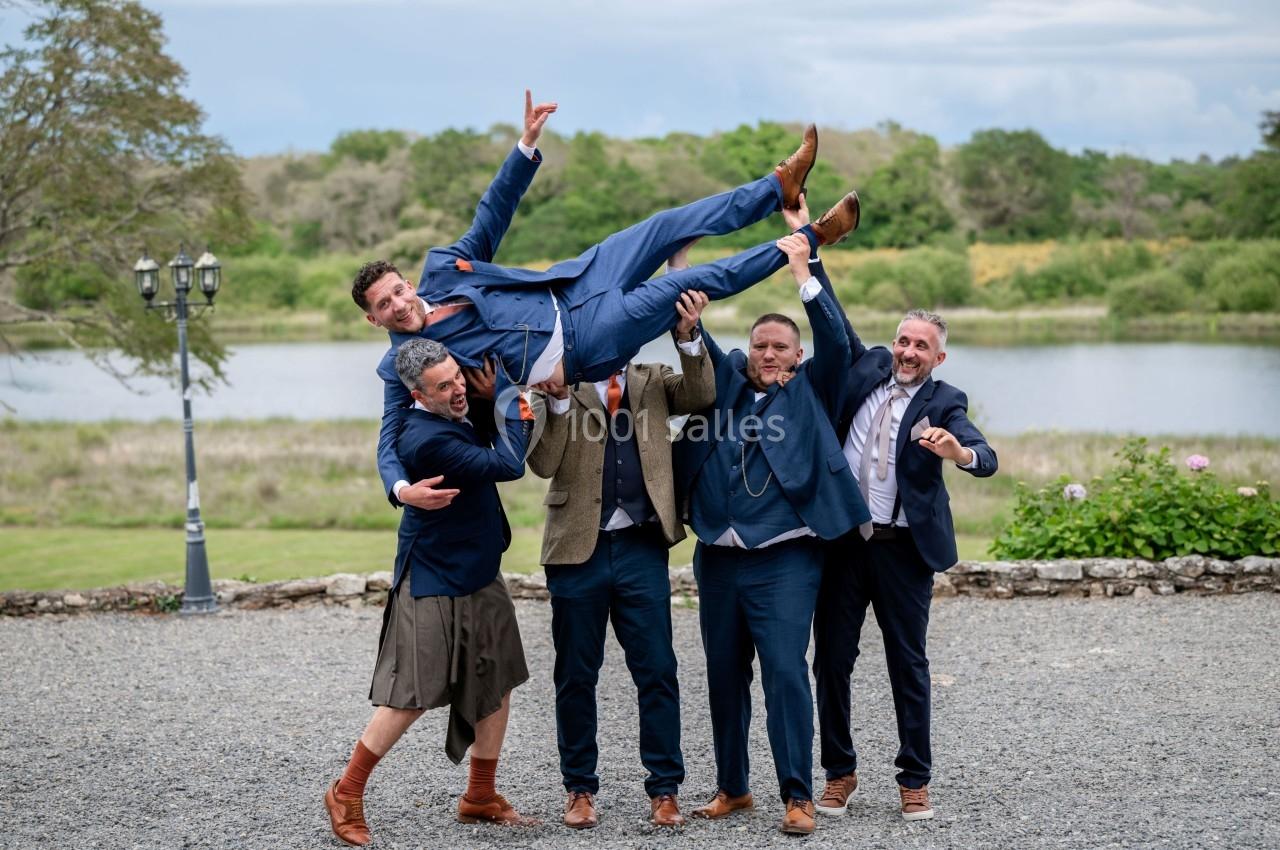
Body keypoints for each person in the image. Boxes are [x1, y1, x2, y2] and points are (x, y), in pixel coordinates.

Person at [354, 90, 862, 510]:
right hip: (580, 342)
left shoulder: (444, 268)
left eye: (398, 290)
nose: (398, 304)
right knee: (679, 285)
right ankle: (814, 238)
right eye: (384, 306)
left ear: (408, 283)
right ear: (375, 320)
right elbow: (390, 433)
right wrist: (400, 489)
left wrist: (525, 145)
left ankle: (777, 187)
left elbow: (491, 217)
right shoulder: (401, 364)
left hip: (573, 284)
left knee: (664, 226)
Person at [673, 214, 871, 836]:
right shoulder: (728, 383)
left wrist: (804, 271)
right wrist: (680, 277)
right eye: (760, 345)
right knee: (724, 675)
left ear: (797, 355)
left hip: (785, 560)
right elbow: (695, 344)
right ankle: (733, 787)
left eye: (780, 346)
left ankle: (798, 795)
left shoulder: (815, 386)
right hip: (719, 559)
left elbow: (840, 344)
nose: (767, 354)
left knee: (786, 674)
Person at [525, 246, 715, 828]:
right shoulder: (551, 383)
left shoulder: (652, 377)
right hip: (575, 550)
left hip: (640, 545)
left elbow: (702, 394)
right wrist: (556, 402)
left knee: (656, 669)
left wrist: (688, 335)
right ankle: (579, 789)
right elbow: (543, 462)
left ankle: (664, 788)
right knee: (575, 675)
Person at [808, 243, 998, 822]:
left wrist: (957, 450)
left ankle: (914, 778)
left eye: (921, 345)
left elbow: (985, 455)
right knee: (831, 662)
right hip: (842, 545)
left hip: (904, 551)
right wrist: (808, 256)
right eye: (904, 340)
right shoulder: (866, 370)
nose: (909, 351)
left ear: (938, 358)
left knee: (907, 663)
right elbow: (833, 317)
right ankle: (839, 774)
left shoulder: (946, 402)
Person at [323, 339, 537, 846]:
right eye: (444, 386)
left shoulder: (458, 408)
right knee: (413, 692)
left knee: (498, 677)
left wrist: (484, 393)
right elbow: (510, 464)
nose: (458, 388)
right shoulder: (425, 439)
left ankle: (480, 796)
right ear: (416, 393)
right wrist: (510, 395)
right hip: (434, 572)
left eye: (457, 377)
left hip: (479, 567)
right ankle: (346, 791)